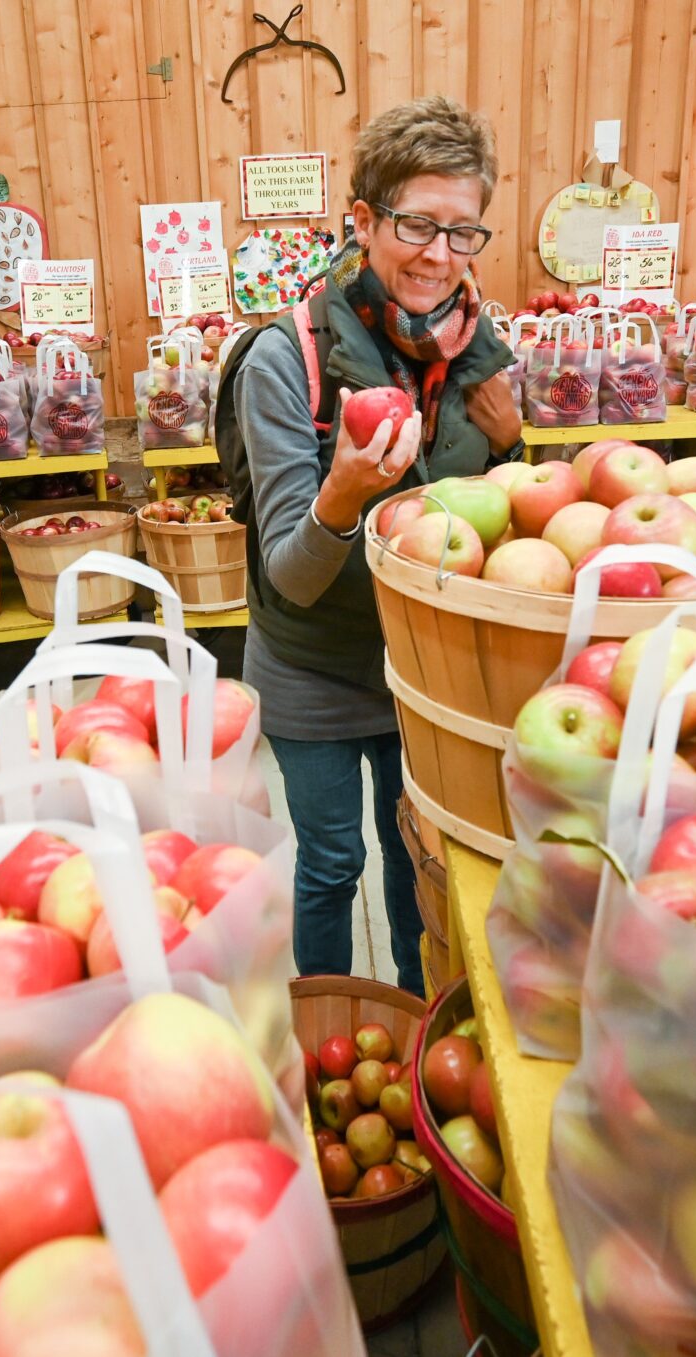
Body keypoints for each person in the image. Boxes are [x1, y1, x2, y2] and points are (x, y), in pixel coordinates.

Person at [220, 96, 520, 995]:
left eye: (463, 231)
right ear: (363, 220)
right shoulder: (285, 361)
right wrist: (343, 496)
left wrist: (513, 446)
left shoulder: (479, 346)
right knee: (330, 863)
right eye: (416, 224)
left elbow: (490, 515)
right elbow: (289, 576)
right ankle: (330, 1021)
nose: (439, 255)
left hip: (422, 669)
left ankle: (413, 1018)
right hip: (310, 666)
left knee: (416, 857)